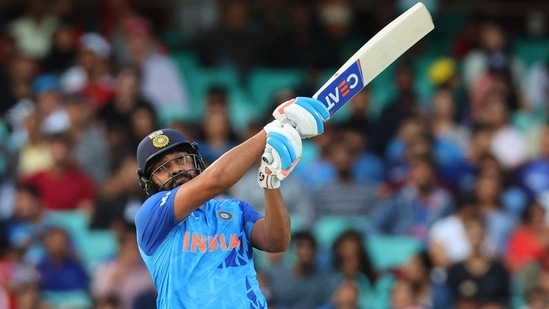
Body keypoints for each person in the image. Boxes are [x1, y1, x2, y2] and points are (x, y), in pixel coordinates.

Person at [133, 96, 329, 307]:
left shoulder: (234, 209)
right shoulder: (151, 214)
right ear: (149, 183)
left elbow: (277, 241)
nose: (176, 169)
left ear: (195, 159)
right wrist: (270, 131)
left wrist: (270, 182)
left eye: (181, 159)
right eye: (162, 168)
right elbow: (215, 180)